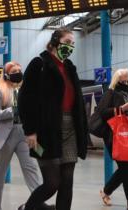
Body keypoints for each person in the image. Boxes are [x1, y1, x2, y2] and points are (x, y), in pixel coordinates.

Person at [18, 28, 89, 210]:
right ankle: (29, 208)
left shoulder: (69, 67)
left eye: (73, 43)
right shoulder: (39, 64)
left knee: (67, 182)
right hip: (45, 131)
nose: (71, 46)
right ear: (55, 41)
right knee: (52, 182)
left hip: (70, 128)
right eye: (67, 42)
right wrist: (30, 131)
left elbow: (77, 101)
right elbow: (25, 100)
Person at [0, 62, 54, 210]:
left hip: (25, 133)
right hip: (6, 134)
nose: (18, 73)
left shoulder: (28, 90)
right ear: (6, 75)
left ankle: (38, 202)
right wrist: (12, 111)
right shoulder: (0, 91)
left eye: (19, 70)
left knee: (31, 167)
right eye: (14, 71)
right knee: (0, 170)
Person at [98, 68, 128, 210]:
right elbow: (102, 113)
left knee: (125, 169)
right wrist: (121, 109)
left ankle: (106, 191)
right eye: (122, 80)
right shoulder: (110, 93)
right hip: (114, 137)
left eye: (127, 80)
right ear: (116, 80)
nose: (125, 83)